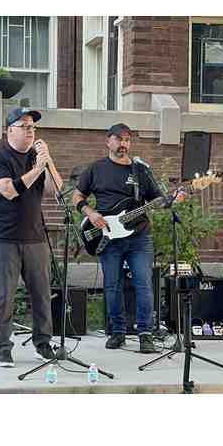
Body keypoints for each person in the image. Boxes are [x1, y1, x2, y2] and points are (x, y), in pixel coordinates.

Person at [73, 123, 172, 354]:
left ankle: (145, 333)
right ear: (108, 141)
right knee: (112, 286)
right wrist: (91, 213)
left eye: (127, 140)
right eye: (119, 139)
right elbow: (77, 195)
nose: (123, 144)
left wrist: (173, 199)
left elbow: (158, 200)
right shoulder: (96, 169)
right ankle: (117, 331)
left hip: (139, 237)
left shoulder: (140, 171)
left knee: (144, 284)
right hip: (108, 236)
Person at [0, 107, 63, 368]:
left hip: (34, 237)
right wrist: (37, 169)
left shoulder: (36, 158)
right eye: (24, 126)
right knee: (5, 296)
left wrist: (47, 162)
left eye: (33, 127)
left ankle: (43, 343)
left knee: (41, 294)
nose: (30, 131)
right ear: (10, 130)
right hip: (4, 237)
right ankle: (3, 348)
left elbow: (56, 189)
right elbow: (8, 190)